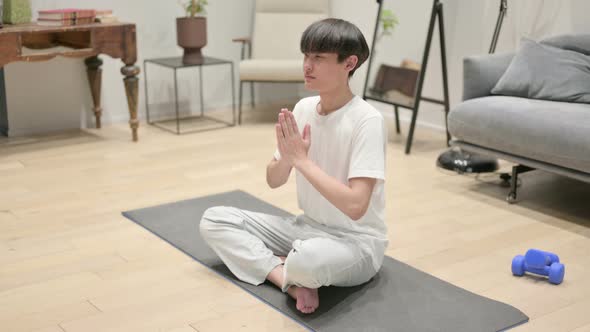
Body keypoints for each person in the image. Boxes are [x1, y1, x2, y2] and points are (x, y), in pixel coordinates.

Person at [199, 18, 388, 314]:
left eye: (318, 58)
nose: (307, 65)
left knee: (306, 259)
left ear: (349, 63)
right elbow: (273, 180)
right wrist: (287, 158)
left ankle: (291, 266)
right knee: (214, 219)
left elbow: (356, 206)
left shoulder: (367, 120)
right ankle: (288, 279)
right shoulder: (302, 109)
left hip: (357, 243)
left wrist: (302, 160)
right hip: (304, 228)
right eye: (306, 56)